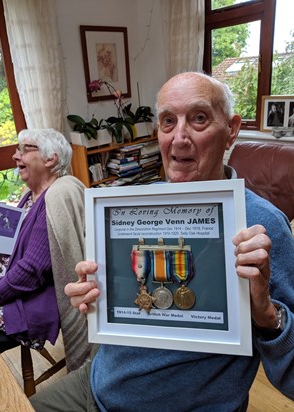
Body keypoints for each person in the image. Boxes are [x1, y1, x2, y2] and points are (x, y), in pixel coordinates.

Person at [30, 73, 294, 411]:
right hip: (96, 384)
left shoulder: (263, 226)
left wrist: (268, 315)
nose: (179, 137)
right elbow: (134, 297)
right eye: (168, 121)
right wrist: (99, 293)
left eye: (198, 119)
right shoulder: (130, 209)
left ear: (231, 130)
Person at [0, 128, 90, 371]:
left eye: (24, 149)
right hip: (11, 290)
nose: (15, 156)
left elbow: (32, 270)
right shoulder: (28, 196)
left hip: (28, 303)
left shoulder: (55, 198)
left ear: (50, 158)